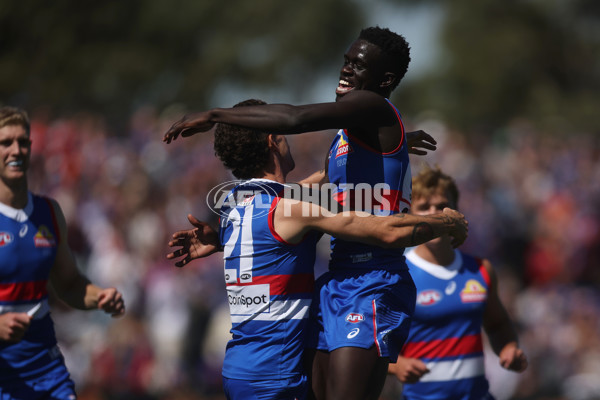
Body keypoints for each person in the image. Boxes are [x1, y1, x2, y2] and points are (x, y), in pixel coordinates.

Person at [163, 26, 430, 400]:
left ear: (385, 79)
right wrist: (223, 231)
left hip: (374, 281)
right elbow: (286, 199)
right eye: (346, 60)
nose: (347, 69)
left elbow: (294, 119)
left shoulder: (372, 106)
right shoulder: (348, 135)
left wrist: (215, 114)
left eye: (359, 64)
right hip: (337, 280)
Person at [0, 106, 126, 399]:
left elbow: (68, 284)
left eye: (23, 141)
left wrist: (99, 296)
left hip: (46, 371)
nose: (16, 150)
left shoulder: (49, 212)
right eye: (5, 142)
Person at [387, 166, 528, 400]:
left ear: (457, 212)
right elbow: (373, 343)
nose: (435, 215)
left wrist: (508, 347)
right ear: (410, 214)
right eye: (424, 208)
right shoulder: (398, 274)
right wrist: (396, 365)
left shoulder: (481, 270)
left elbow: (498, 324)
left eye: (442, 206)